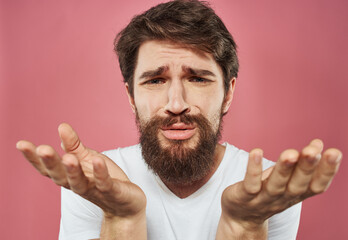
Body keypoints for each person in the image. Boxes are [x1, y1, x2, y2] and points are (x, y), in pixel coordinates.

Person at [16, 0, 342, 239]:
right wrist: (121, 218)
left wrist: (244, 225)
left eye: (197, 78)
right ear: (131, 97)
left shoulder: (270, 190)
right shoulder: (92, 184)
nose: (176, 104)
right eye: (155, 80)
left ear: (228, 94)